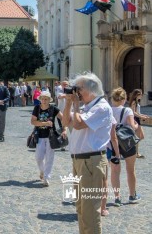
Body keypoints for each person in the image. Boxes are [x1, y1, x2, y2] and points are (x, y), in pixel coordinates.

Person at [62, 72, 114, 234]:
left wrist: (76, 105)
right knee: (81, 209)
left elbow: (77, 125)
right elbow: (65, 122)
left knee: (90, 211)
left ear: (92, 90)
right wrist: (69, 104)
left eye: (79, 89)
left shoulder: (102, 107)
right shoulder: (87, 106)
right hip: (79, 161)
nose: (76, 92)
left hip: (91, 162)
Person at [109, 87, 141, 210]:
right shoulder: (127, 110)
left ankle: (117, 197)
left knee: (115, 170)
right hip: (127, 142)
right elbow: (132, 126)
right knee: (130, 170)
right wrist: (137, 124)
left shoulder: (108, 110)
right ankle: (132, 195)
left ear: (112, 98)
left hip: (113, 142)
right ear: (124, 99)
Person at [31, 91, 66, 186]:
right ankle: (42, 171)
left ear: (49, 100)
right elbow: (33, 122)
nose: (44, 100)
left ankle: (46, 177)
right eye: (42, 99)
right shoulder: (37, 108)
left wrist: (64, 129)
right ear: (40, 99)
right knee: (39, 157)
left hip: (51, 136)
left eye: (46, 99)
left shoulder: (53, 109)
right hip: (40, 135)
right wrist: (44, 123)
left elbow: (63, 119)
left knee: (49, 157)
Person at [129, 89, 149, 158]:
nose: (141, 96)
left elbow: (137, 112)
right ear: (137, 95)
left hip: (137, 119)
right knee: (139, 136)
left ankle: (134, 151)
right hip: (135, 119)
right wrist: (141, 116)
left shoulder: (137, 102)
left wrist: (143, 116)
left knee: (140, 136)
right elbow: (133, 112)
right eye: (140, 94)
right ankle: (135, 153)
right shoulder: (134, 102)